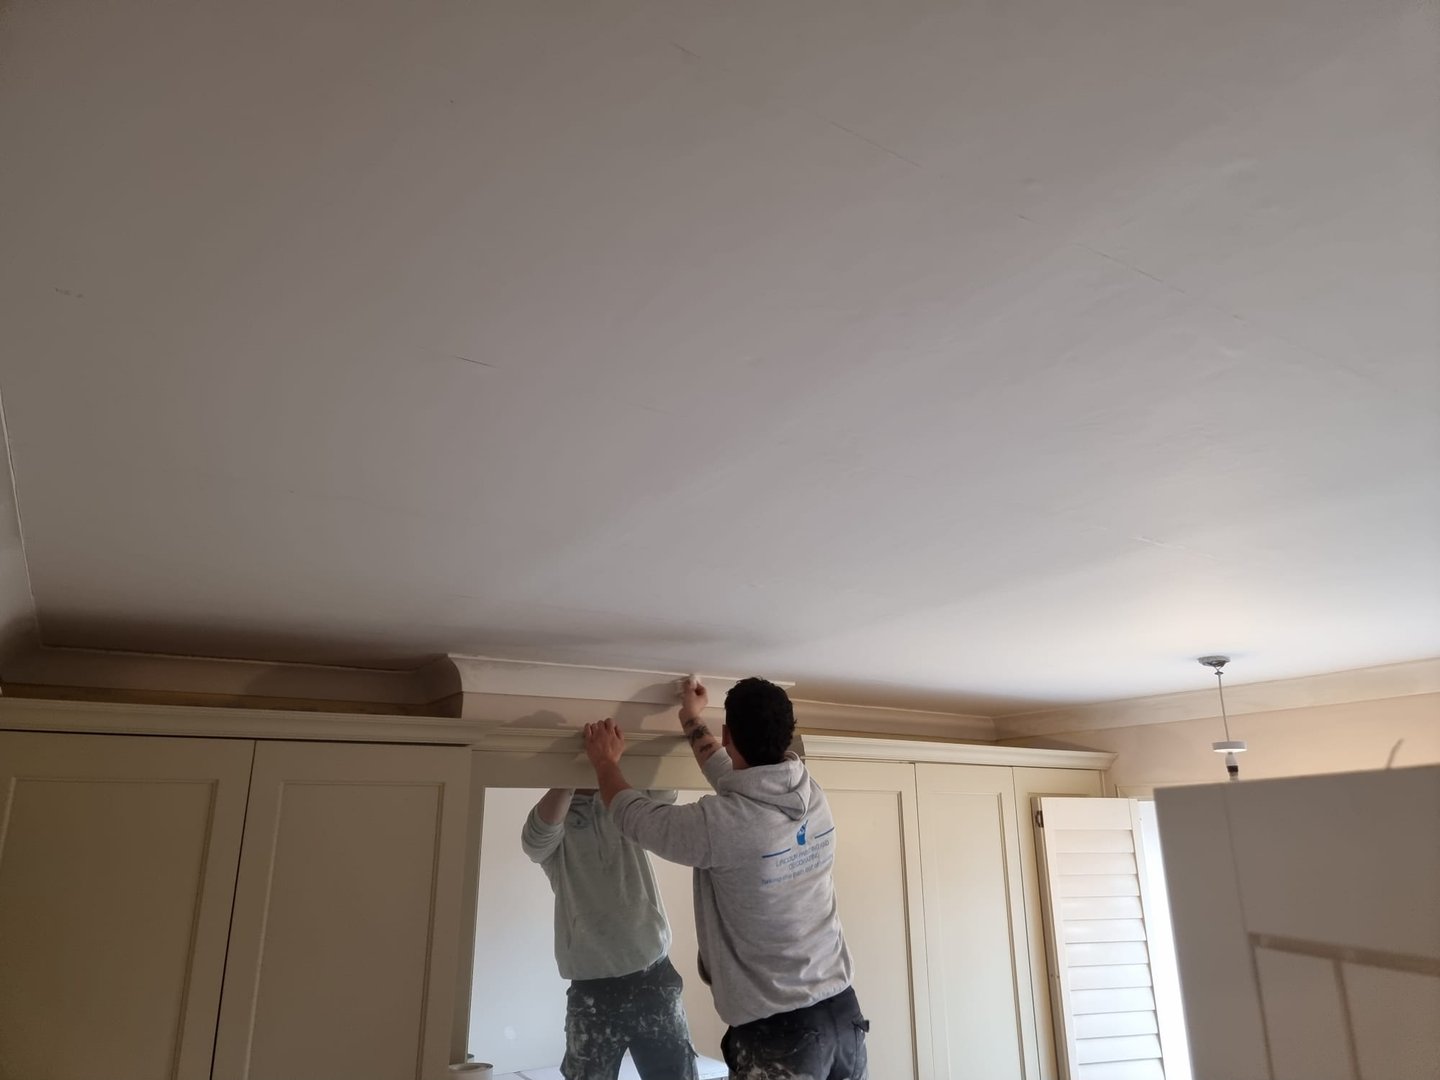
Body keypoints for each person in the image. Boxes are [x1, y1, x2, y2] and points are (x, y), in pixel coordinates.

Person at [583, 677, 869, 1080]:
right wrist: (689, 719)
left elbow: (636, 817)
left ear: (728, 733)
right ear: (787, 733)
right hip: (844, 1018)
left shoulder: (721, 825)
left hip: (781, 1035)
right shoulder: (809, 792)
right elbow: (733, 775)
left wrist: (605, 764)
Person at [521, 785, 698, 1080]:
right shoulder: (557, 819)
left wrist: (611, 768)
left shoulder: (626, 804)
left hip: (653, 979)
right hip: (592, 993)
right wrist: (569, 777)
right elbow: (534, 841)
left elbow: (665, 794)